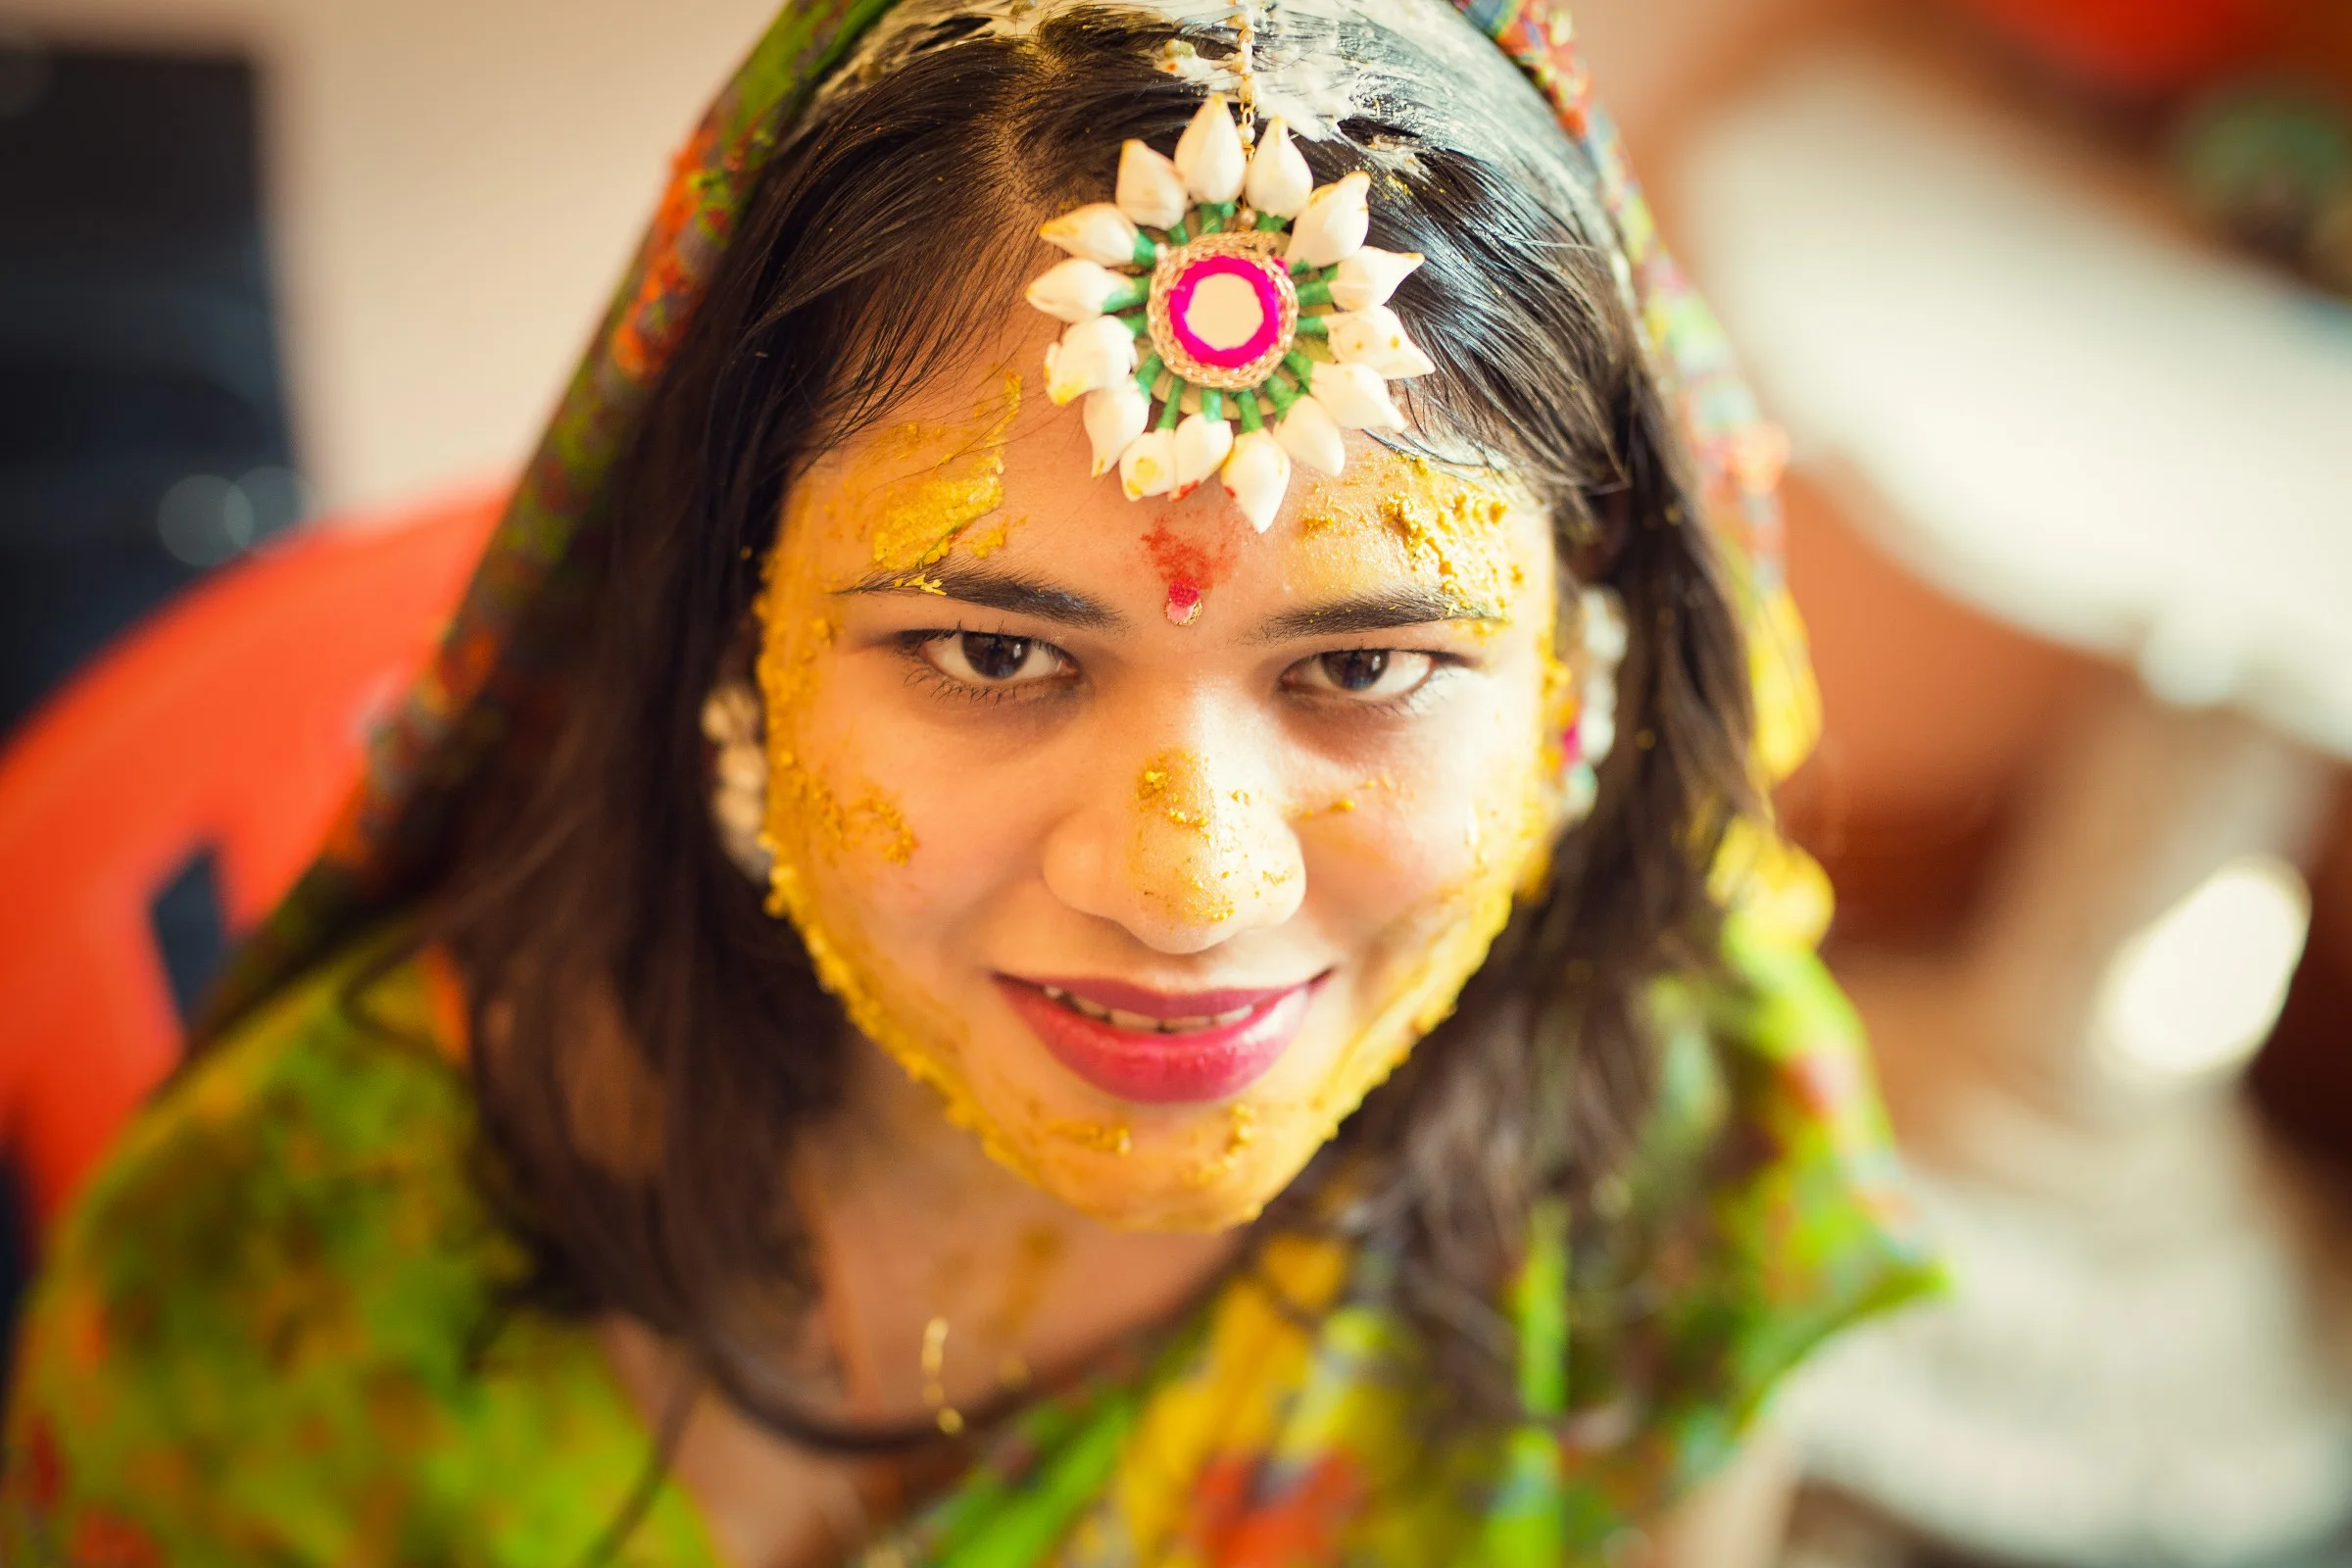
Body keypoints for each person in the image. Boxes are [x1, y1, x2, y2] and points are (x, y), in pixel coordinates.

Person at [0, 0, 1936, 1563]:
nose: (1187, 885)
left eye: (1361, 665)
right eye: (997, 651)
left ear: (1581, 677)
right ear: (730, 641)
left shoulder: (1674, 1133)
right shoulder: (281, 1271)